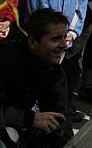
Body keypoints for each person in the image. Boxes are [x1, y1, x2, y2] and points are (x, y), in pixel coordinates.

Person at [0, 9, 72, 147]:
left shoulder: (54, 71)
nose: (64, 45)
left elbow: (61, 115)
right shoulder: (5, 60)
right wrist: (28, 118)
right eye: (56, 39)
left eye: (64, 37)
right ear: (33, 42)